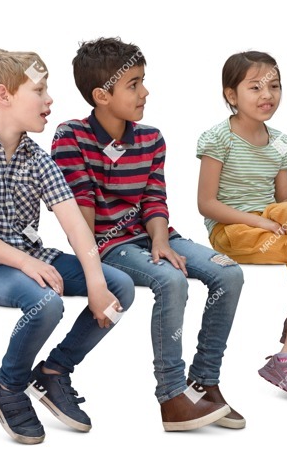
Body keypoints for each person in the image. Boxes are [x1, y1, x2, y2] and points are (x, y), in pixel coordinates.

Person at [0, 49, 135, 444]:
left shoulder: (38, 159)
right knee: (46, 303)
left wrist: (95, 282)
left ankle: (54, 372)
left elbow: (75, 223)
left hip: (31, 258)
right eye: (39, 90)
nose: (50, 100)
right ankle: (8, 385)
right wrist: (27, 264)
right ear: (3, 95)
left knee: (119, 287)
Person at [52, 37, 244, 430]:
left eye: (143, 81)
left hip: (155, 236)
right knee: (171, 281)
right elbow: (81, 218)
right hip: (108, 246)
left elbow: (155, 197)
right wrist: (98, 268)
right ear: (101, 96)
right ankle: (172, 397)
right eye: (134, 84)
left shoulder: (151, 138)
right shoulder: (70, 137)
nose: (145, 91)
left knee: (229, 272)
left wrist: (159, 240)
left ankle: (204, 383)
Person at [197, 51, 287, 404]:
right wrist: (258, 219)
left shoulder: (280, 143)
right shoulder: (219, 139)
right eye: (255, 87)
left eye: (274, 86)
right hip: (232, 231)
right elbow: (207, 204)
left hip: (269, 227)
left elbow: (280, 198)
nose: (267, 95)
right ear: (232, 96)